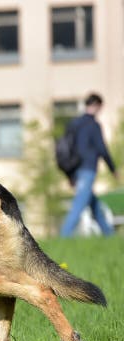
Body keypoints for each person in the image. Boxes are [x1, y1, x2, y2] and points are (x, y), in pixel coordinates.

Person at [60, 93, 119, 237]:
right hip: (88, 168)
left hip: (75, 168)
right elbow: (102, 148)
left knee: (93, 204)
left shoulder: (74, 124)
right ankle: (64, 235)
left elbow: (66, 148)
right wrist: (113, 169)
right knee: (79, 204)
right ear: (97, 105)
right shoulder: (93, 125)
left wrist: (70, 175)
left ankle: (109, 235)